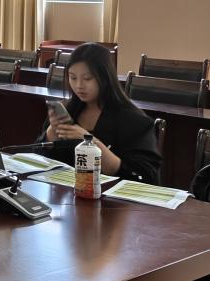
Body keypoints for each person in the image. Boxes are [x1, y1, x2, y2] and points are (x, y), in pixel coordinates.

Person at [38, 42, 161, 184]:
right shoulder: (68, 110)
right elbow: (38, 162)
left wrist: (91, 142)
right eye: (73, 77)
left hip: (110, 195)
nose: (79, 85)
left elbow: (147, 177)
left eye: (87, 78)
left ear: (105, 77)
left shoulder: (134, 120)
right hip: (67, 192)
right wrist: (51, 133)